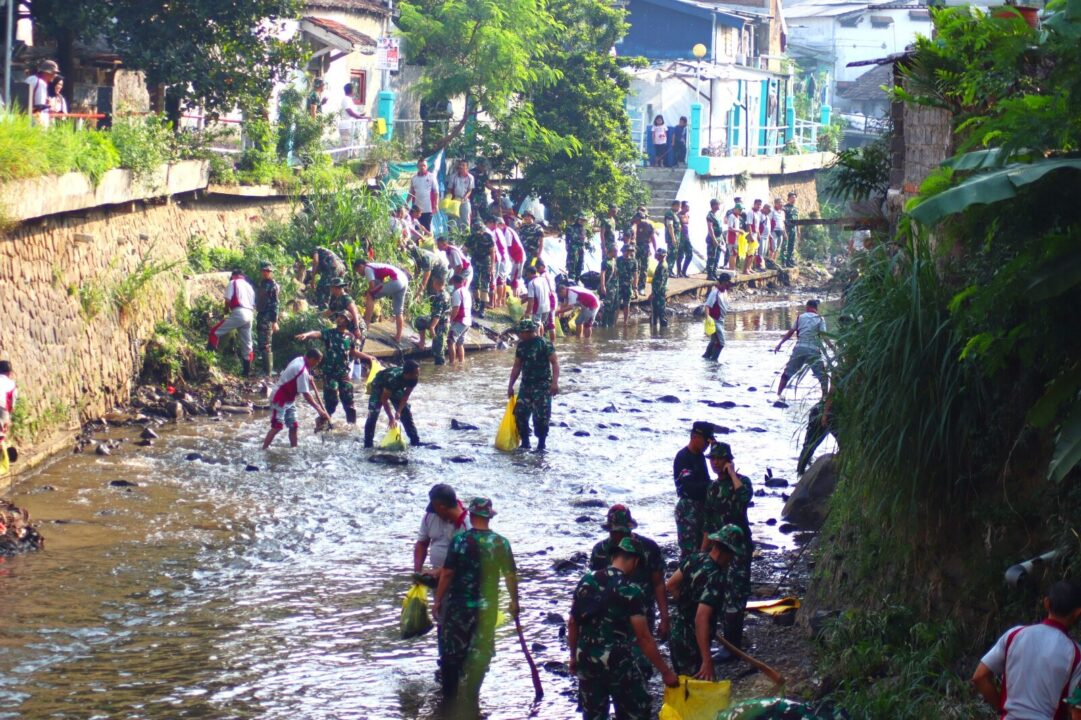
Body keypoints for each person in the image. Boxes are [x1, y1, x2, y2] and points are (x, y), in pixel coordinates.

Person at [570, 536, 679, 720]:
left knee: (593, 714)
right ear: (635, 561)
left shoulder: (587, 581)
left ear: (614, 556)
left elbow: (573, 623)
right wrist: (666, 672)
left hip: (587, 659)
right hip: (617, 663)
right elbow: (643, 637)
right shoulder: (631, 590)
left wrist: (573, 656)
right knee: (636, 710)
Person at [434, 497, 519, 709]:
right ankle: (473, 696)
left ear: (471, 515)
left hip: (459, 608)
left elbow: (447, 574)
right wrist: (514, 602)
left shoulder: (460, 541)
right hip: (487, 609)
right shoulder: (501, 543)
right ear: (489, 517)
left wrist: (437, 602)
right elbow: (510, 576)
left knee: (452, 653)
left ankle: (450, 699)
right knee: (481, 652)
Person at [972, 580, 1081, 720]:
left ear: (1047, 603)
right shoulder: (1076, 655)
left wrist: (1001, 710)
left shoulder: (1015, 635)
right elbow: (1076, 710)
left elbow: (979, 677)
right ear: (1078, 612)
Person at [666, 524, 745, 679]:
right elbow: (701, 618)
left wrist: (686, 606)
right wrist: (707, 660)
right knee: (698, 688)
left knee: (684, 683)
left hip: (676, 633)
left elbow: (671, 585)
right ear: (727, 552)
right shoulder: (715, 576)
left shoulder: (695, 558)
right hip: (692, 641)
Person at [702, 443, 753, 654]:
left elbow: (744, 498)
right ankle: (728, 642)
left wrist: (732, 474)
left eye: (719, 459)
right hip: (719, 547)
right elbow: (708, 522)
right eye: (712, 459)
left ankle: (733, 646)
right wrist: (702, 551)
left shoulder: (742, 482)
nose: (715, 463)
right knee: (721, 590)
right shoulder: (713, 488)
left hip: (739, 546)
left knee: (737, 591)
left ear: (727, 460)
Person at [589, 505, 670, 638]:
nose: (619, 536)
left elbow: (658, 583)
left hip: (643, 612)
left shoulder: (648, 548)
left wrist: (665, 618)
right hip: (610, 617)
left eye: (623, 532)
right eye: (615, 532)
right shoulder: (600, 550)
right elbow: (594, 585)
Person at [294, 313, 373, 425]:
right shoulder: (330, 333)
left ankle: (352, 427)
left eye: (343, 318)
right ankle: (323, 424)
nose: (339, 319)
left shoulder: (350, 337)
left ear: (347, 322)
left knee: (349, 402)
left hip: (344, 374)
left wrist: (369, 357)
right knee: (331, 402)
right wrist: (307, 335)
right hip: (330, 373)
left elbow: (353, 352)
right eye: (338, 317)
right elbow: (318, 333)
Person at [262, 349, 332, 449]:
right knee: (277, 427)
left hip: (290, 399)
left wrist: (309, 376)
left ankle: (294, 449)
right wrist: (320, 410)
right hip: (279, 398)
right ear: (311, 359)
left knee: (294, 426)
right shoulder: (301, 369)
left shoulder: (300, 359)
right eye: (317, 362)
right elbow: (306, 395)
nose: (317, 364)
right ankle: (263, 449)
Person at [507, 319, 559, 452]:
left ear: (529, 332)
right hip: (526, 386)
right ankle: (525, 443)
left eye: (521, 332)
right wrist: (510, 385)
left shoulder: (544, 343)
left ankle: (541, 444)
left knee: (541, 416)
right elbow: (517, 366)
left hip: (542, 386)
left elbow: (555, 363)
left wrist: (554, 383)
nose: (519, 335)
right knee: (520, 413)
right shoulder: (522, 346)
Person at [674, 421, 715, 559]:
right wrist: (711, 485)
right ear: (695, 437)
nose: (707, 445)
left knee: (703, 549)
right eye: (706, 441)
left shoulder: (700, 457)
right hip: (688, 508)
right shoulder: (683, 457)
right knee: (689, 551)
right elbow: (689, 487)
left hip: (701, 506)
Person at [414, 483, 470, 581]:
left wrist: (439, 572)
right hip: (437, 575)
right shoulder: (430, 516)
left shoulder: (468, 526)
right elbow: (422, 544)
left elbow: (463, 560)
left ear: (441, 507)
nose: (433, 511)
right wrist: (417, 573)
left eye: (435, 508)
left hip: (460, 579)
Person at [774, 299, 831, 395]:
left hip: (799, 349)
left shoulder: (800, 317)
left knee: (787, 373)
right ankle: (824, 398)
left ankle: (778, 394)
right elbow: (824, 337)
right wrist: (832, 348)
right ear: (816, 308)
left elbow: (791, 332)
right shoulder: (820, 319)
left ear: (807, 307)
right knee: (823, 377)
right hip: (814, 350)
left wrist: (780, 344)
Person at [364, 360, 421, 448]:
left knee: (405, 412)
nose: (418, 374)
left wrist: (398, 411)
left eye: (418, 372)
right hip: (379, 385)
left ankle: (415, 441)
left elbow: (406, 395)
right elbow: (384, 399)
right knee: (373, 414)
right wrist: (391, 418)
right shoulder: (393, 378)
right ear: (408, 374)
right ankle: (368, 444)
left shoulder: (414, 378)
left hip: (396, 388)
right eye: (416, 373)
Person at [209, 269, 256, 376]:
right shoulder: (249, 287)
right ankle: (246, 373)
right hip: (250, 314)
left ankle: (208, 360)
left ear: (234, 275)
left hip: (239, 312)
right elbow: (253, 304)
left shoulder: (233, 282)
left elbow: (227, 300)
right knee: (247, 344)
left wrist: (226, 310)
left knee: (214, 332)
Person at [353, 258, 409, 344]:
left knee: (370, 295)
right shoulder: (376, 267)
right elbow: (379, 285)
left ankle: (366, 327)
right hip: (404, 280)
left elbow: (372, 286)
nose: (359, 274)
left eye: (358, 271)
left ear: (361, 266)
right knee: (399, 311)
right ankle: (398, 337)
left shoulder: (367, 268)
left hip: (396, 280)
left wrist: (368, 293)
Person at [465, 220, 496, 319]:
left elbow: (492, 252)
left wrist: (492, 267)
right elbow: (465, 249)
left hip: (485, 261)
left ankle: (482, 308)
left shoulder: (488, 237)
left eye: (480, 230)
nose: (479, 232)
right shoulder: (471, 237)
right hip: (475, 261)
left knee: (485, 284)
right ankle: (477, 303)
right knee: (474, 284)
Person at [254, 262, 280, 376]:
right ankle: (265, 369)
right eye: (264, 271)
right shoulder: (262, 284)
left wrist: (274, 322)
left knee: (266, 343)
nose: (266, 273)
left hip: (268, 317)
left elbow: (275, 304)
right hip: (261, 315)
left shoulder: (272, 285)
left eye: (268, 271)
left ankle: (267, 371)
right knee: (261, 342)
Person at [420, 274, 451, 365]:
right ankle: (422, 342)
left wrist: (432, 327)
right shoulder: (445, 293)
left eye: (433, 283)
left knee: (439, 353)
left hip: (441, 325)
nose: (432, 284)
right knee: (420, 320)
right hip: (441, 322)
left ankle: (440, 372)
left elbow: (438, 314)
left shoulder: (440, 297)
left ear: (437, 283)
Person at [702, 274, 733, 361]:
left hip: (721, 320)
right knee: (721, 343)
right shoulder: (715, 292)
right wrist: (708, 319)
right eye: (727, 282)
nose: (728, 284)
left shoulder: (725, 291)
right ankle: (714, 361)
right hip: (714, 321)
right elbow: (707, 306)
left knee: (714, 341)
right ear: (723, 282)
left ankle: (706, 357)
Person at [324, 278, 365, 343]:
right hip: (349, 327)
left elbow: (354, 312)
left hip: (357, 327)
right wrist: (315, 315)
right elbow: (329, 312)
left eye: (331, 287)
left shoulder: (346, 298)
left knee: (354, 348)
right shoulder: (338, 299)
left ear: (336, 288)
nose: (331, 290)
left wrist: (356, 328)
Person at [408, 158, 439, 231]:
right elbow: (411, 192)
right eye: (420, 165)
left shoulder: (431, 177)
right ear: (417, 167)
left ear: (427, 166)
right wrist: (406, 203)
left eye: (424, 165)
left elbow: (436, 192)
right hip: (416, 209)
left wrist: (436, 205)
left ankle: (427, 242)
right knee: (416, 228)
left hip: (428, 208)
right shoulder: (414, 178)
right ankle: (417, 242)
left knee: (427, 228)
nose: (422, 167)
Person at [448, 273, 472, 365]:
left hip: (460, 321)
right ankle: (461, 363)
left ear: (454, 282)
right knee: (459, 343)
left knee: (450, 341)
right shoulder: (467, 292)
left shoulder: (457, 293)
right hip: (467, 321)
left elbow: (456, 309)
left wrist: (450, 319)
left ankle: (452, 364)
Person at [535, 260, 559, 343]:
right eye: (536, 268)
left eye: (538, 268)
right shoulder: (549, 274)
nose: (537, 270)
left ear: (542, 267)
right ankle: (542, 341)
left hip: (549, 298)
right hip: (551, 297)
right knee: (543, 321)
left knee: (550, 323)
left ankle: (552, 343)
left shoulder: (543, 276)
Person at [447, 160, 475, 229]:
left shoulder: (470, 177)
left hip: (465, 201)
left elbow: (470, 190)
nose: (461, 167)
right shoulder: (453, 176)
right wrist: (450, 199)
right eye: (460, 165)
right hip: (454, 200)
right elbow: (450, 189)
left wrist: (465, 198)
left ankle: (465, 236)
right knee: (453, 220)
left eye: (463, 165)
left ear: (467, 168)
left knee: (465, 219)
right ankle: (453, 236)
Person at [598, 244, 620, 328]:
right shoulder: (605, 261)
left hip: (615, 287)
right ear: (611, 251)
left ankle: (611, 325)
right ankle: (604, 325)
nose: (617, 253)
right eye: (615, 251)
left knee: (614, 306)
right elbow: (602, 274)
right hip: (609, 287)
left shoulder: (614, 260)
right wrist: (603, 286)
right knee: (607, 307)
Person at [338, 83, 366, 149]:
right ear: (352, 90)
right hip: (346, 127)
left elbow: (353, 112)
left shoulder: (349, 99)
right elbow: (350, 113)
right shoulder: (346, 99)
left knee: (352, 147)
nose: (355, 91)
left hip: (351, 126)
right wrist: (361, 117)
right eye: (354, 89)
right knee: (347, 148)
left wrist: (360, 115)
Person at [634, 212, 655, 294]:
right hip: (635, 247)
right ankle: (634, 287)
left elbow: (652, 238)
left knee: (644, 268)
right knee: (635, 268)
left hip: (644, 247)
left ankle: (641, 287)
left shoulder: (649, 225)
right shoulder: (634, 224)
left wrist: (655, 249)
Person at [616, 244, 636, 328]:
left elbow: (635, 274)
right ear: (623, 251)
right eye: (627, 251)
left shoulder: (634, 261)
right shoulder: (618, 260)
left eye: (630, 251)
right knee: (617, 304)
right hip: (619, 285)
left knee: (626, 304)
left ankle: (625, 321)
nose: (629, 253)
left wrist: (635, 287)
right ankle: (615, 321)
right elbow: (615, 272)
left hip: (628, 286)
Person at [565, 214, 587, 283]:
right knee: (572, 269)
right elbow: (567, 240)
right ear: (578, 219)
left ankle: (577, 282)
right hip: (573, 249)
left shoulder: (584, 230)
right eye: (581, 220)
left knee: (579, 268)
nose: (582, 221)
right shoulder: (571, 228)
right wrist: (568, 246)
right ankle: (571, 283)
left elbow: (584, 240)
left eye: (583, 220)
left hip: (581, 249)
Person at [650, 248, 669, 329]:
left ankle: (661, 332)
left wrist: (653, 294)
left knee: (660, 312)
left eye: (658, 255)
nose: (656, 256)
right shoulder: (662, 264)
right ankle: (656, 331)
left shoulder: (662, 266)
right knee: (656, 312)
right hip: (659, 292)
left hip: (658, 293)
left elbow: (660, 282)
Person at [705, 200, 723, 280]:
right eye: (718, 204)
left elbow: (720, 227)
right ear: (714, 205)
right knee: (711, 257)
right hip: (713, 239)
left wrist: (721, 238)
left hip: (718, 239)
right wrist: (714, 239)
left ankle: (714, 273)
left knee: (717, 257)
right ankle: (709, 274)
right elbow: (710, 228)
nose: (719, 206)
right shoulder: (710, 215)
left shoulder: (716, 215)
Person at [725, 198, 744, 271]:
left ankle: (733, 268)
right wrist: (739, 230)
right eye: (739, 209)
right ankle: (731, 268)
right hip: (731, 237)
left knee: (735, 253)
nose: (741, 211)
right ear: (736, 209)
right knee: (732, 253)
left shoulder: (738, 217)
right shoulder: (731, 216)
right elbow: (730, 228)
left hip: (736, 237)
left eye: (741, 209)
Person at [782, 192, 799, 268]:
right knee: (785, 245)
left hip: (793, 229)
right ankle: (784, 262)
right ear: (788, 198)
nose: (794, 199)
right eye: (792, 197)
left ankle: (789, 261)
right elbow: (782, 219)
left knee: (791, 246)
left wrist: (798, 231)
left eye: (795, 198)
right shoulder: (784, 208)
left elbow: (797, 220)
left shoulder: (796, 209)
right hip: (786, 228)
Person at [677, 201, 694, 278]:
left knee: (690, 255)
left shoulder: (687, 215)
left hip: (687, 238)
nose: (688, 208)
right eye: (687, 206)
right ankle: (679, 272)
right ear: (682, 207)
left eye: (689, 206)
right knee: (680, 256)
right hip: (681, 238)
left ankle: (684, 271)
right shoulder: (678, 215)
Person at [770, 197, 787, 265]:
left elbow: (783, 223)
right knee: (773, 247)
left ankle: (774, 262)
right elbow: (769, 220)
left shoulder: (782, 212)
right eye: (779, 203)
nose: (781, 204)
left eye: (782, 203)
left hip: (781, 231)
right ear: (776, 203)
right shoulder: (772, 211)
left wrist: (784, 232)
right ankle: (770, 262)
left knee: (778, 248)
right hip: (774, 231)